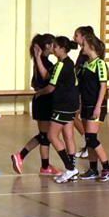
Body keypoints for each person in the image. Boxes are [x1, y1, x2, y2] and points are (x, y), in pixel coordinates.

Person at [11, 34, 61, 176]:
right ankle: (22, 156)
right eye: (53, 44)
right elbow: (45, 78)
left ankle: (43, 165)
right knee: (46, 135)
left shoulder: (42, 62)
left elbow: (34, 82)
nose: (55, 47)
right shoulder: (44, 63)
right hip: (44, 101)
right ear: (47, 46)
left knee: (44, 136)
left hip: (42, 100)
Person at [34, 37, 80, 183]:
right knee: (68, 136)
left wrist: (39, 93)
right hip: (71, 104)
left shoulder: (61, 65)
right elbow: (46, 75)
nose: (53, 49)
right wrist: (38, 57)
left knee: (52, 136)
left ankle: (70, 168)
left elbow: (50, 87)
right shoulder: (68, 62)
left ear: (62, 48)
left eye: (55, 47)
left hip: (63, 105)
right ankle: (71, 170)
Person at [74, 34, 109, 181]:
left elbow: (103, 86)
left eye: (83, 45)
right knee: (88, 139)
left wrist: (98, 106)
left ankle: (107, 168)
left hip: (96, 105)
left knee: (91, 137)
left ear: (91, 46)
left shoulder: (100, 64)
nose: (81, 47)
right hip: (86, 104)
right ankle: (93, 168)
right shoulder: (86, 64)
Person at [73, 26, 95, 158]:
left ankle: (89, 143)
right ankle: (88, 143)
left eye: (76, 35)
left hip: (86, 90)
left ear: (83, 37)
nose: (74, 38)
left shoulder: (89, 52)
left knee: (76, 115)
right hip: (79, 88)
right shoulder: (82, 51)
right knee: (77, 116)